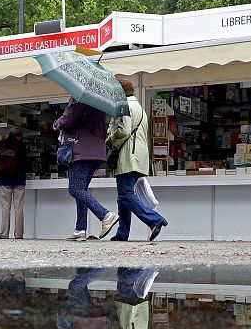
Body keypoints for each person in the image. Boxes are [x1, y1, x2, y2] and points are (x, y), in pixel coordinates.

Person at [109, 76, 168, 242]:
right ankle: (122, 233)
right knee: (124, 195)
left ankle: (154, 220)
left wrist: (110, 139)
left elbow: (124, 131)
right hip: (139, 156)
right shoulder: (139, 107)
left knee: (125, 195)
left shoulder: (123, 106)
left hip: (128, 156)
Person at [55, 98, 119, 241]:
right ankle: (80, 228)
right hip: (97, 151)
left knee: (75, 189)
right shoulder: (101, 100)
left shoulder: (80, 98)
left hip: (82, 149)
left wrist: (57, 123)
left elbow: (68, 120)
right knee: (81, 189)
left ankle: (106, 215)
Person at [0, 127, 27, 239]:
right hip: (18, 180)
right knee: (18, 208)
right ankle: (18, 234)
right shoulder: (22, 145)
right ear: (19, 136)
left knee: (5, 208)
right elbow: (24, 162)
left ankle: (3, 234)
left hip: (4, 180)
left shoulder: (1, 144)